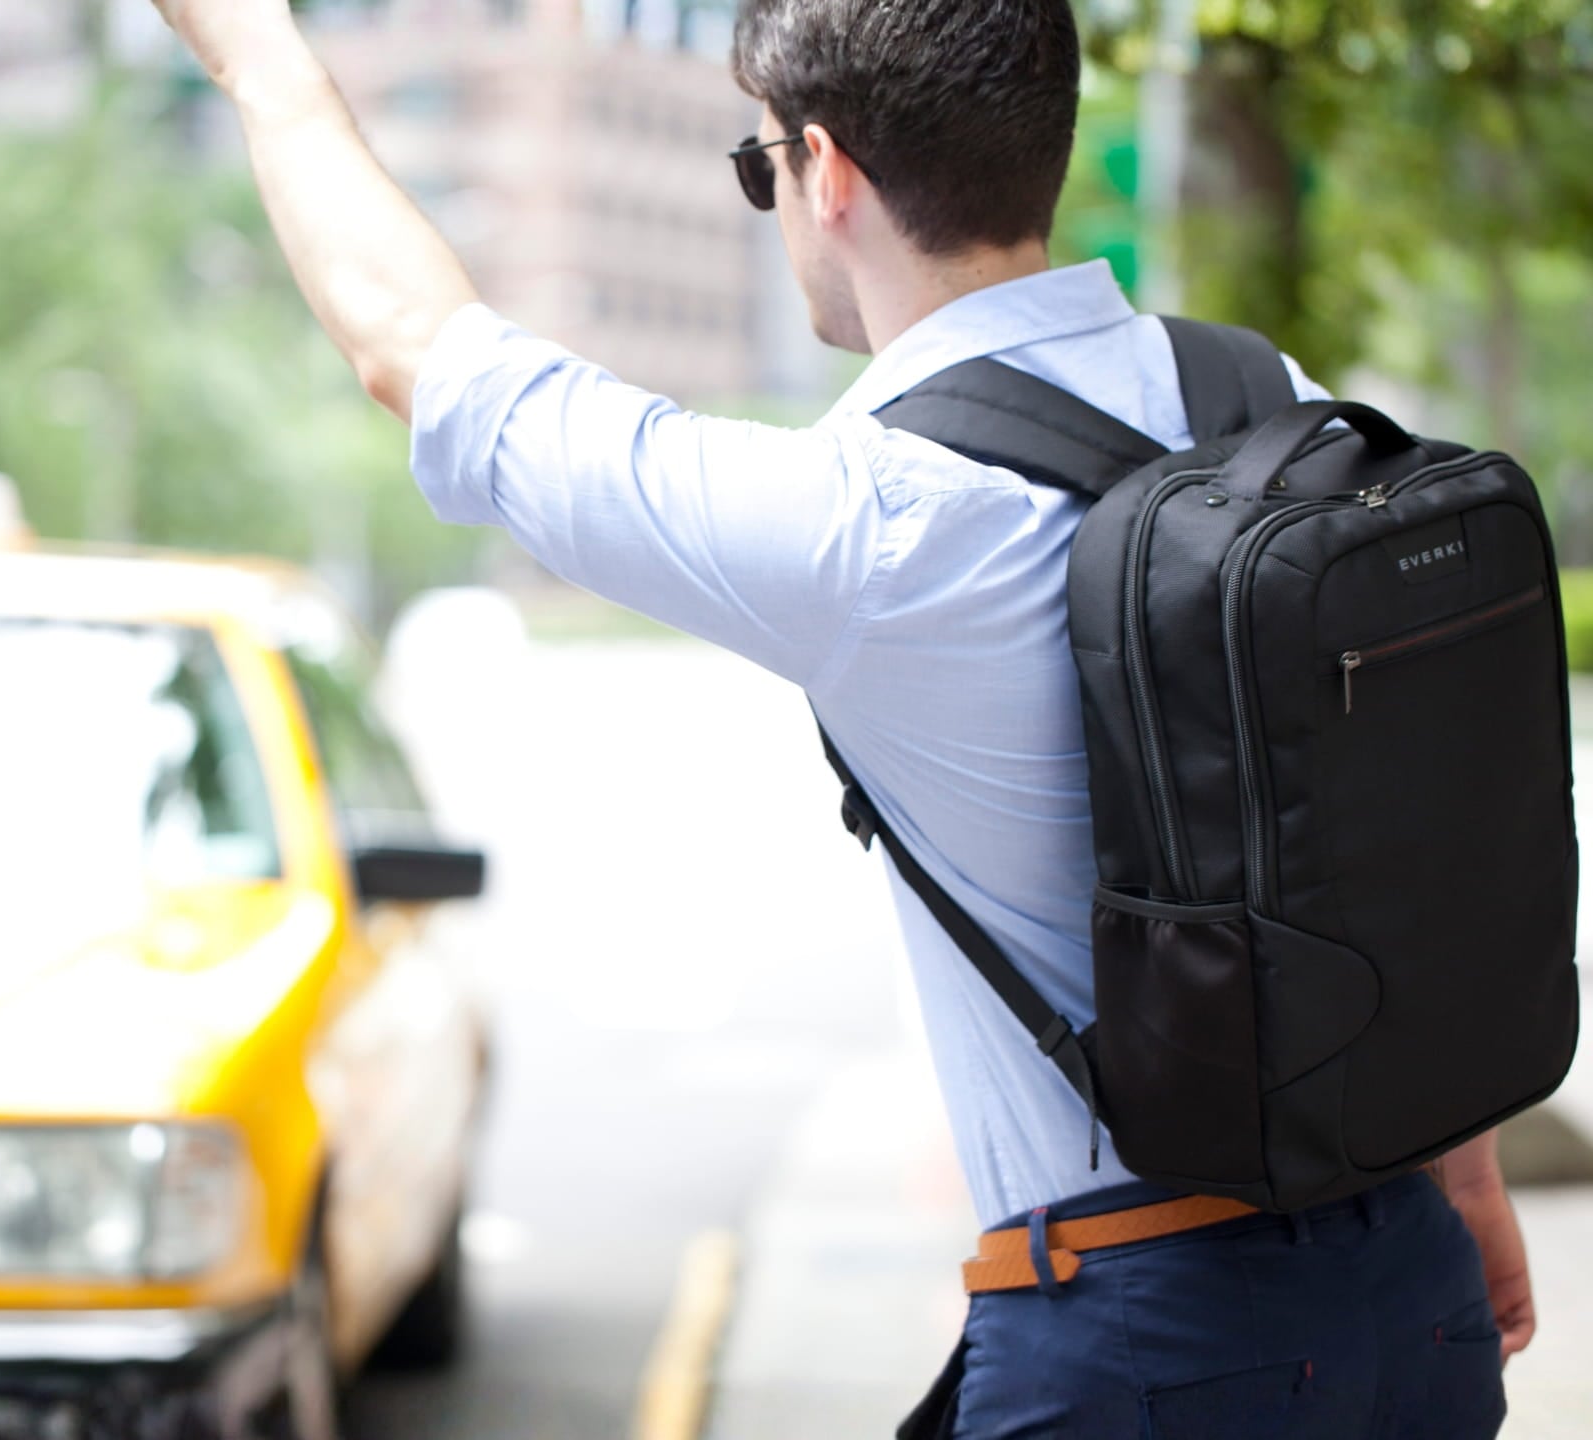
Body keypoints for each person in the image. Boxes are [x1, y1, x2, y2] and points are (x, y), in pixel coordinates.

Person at [146, 0, 1530, 1432]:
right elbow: (1380, 840)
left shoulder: (866, 526)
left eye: (764, 172)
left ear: (832, 171)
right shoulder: (1269, 401)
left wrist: (258, 52)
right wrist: (1465, 1176)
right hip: (1409, 1293)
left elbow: (414, 349)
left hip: (1145, 1347)